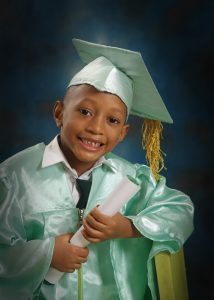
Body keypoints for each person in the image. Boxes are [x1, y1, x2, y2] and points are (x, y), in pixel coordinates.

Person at [0, 38, 194, 300]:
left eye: (112, 120)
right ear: (59, 113)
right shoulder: (14, 178)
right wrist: (46, 255)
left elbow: (180, 211)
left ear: (123, 133)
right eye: (85, 111)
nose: (96, 128)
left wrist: (127, 226)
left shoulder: (132, 179)